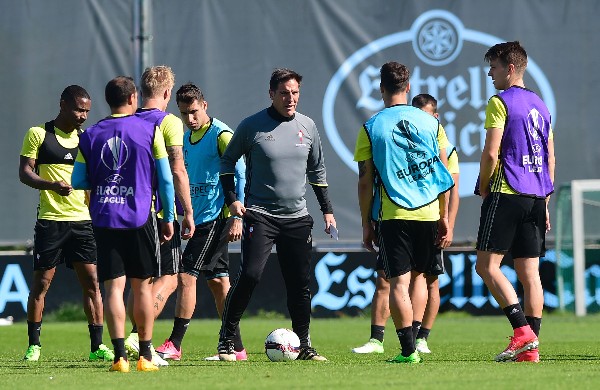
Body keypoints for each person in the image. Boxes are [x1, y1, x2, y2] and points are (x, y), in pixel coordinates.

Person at [216, 68, 336, 362]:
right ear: (271, 94)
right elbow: (227, 163)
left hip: (297, 217)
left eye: (295, 92)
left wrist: (328, 210)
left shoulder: (308, 126)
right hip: (260, 214)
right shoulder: (252, 126)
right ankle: (227, 340)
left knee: (299, 282)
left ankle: (304, 344)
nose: (290, 98)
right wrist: (232, 201)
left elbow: (317, 171)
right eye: (284, 93)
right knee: (251, 274)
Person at [72, 76, 175, 372]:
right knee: (142, 289)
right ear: (133, 99)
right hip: (141, 217)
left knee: (113, 290)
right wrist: (168, 217)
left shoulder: (90, 135)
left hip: (104, 219)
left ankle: (119, 358)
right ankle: (144, 355)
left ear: (108, 100)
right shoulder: (150, 130)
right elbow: (166, 180)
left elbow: (78, 180)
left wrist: (104, 182)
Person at [354, 62, 453, 364]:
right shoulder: (431, 123)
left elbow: (364, 181)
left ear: (381, 89)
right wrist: (444, 216)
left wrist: (365, 224)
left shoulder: (370, 128)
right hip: (428, 214)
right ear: (408, 88)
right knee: (420, 279)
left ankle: (408, 350)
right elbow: (445, 175)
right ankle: (420, 341)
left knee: (398, 282)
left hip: (393, 214)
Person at [18, 85, 114, 363]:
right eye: (78, 109)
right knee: (41, 284)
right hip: (51, 222)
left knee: (93, 285)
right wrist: (51, 185)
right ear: (62, 104)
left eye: (87, 111)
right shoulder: (39, 134)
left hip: (83, 223)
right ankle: (34, 346)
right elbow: (25, 172)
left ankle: (97, 346)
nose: (83, 115)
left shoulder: (87, 139)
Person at [474, 41, 554, 363]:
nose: (489, 74)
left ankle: (522, 333)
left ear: (509, 68)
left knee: (486, 266)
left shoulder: (500, 101)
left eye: (493, 67)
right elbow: (549, 157)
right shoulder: (541, 105)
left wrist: (483, 184)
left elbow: (491, 151)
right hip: (536, 196)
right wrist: (545, 201)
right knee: (530, 273)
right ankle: (531, 349)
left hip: (508, 192)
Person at [155, 83, 247, 361]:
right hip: (200, 220)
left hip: (214, 219)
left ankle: (175, 343)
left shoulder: (221, 134)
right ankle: (238, 348)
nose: (190, 118)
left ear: (204, 106)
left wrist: (236, 216)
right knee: (219, 284)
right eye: (184, 113)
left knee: (186, 276)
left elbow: (240, 173)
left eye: (194, 111)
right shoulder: (186, 137)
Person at [123, 65, 195, 367]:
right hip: (157, 212)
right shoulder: (168, 122)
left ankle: (132, 335)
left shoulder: (127, 120)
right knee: (170, 278)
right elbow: (176, 170)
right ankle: (140, 339)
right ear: (167, 93)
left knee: (139, 280)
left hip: (126, 209)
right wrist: (186, 211)